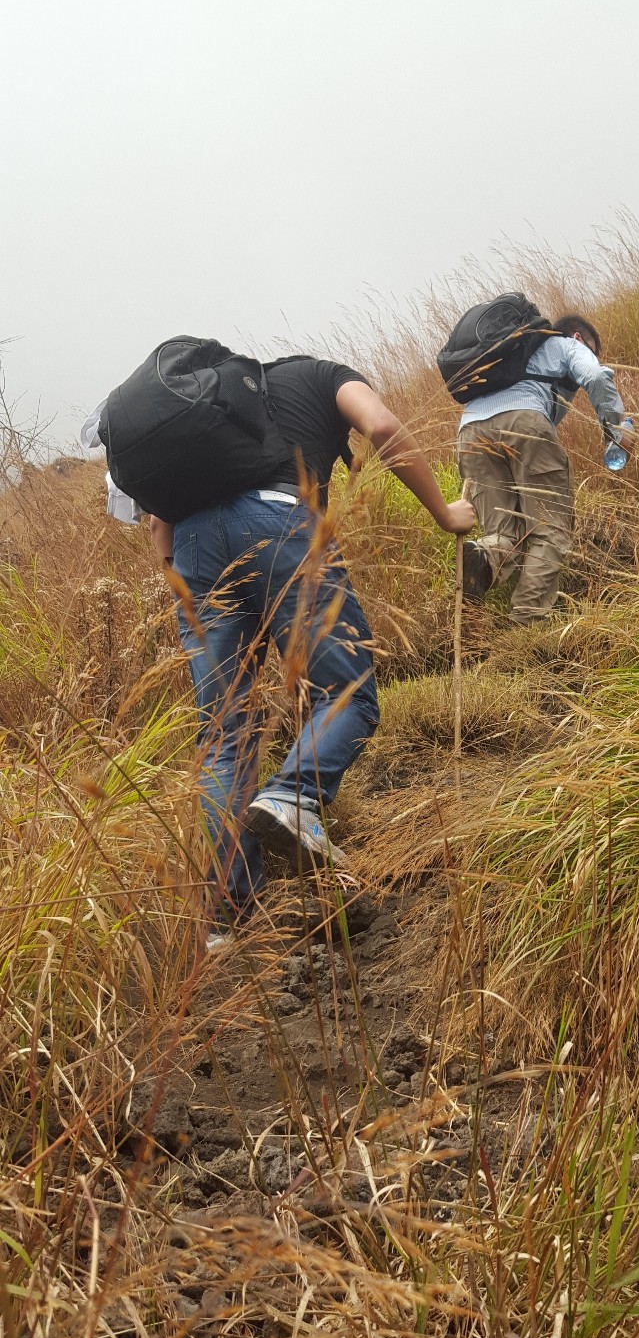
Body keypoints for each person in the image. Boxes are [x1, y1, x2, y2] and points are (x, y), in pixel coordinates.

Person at [137, 355, 474, 937]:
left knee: (223, 735)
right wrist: (446, 513)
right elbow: (385, 428)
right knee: (348, 693)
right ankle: (292, 796)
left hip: (194, 547)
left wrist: (186, 580)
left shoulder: (206, 411)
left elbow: (159, 529)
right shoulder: (323, 375)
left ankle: (225, 917)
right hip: (278, 521)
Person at [455, 313, 632, 623]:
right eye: (592, 349)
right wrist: (616, 431)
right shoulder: (564, 344)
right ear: (578, 338)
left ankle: (482, 557)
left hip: (470, 433)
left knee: (504, 532)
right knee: (551, 531)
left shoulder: (511, 355)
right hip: (524, 422)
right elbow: (596, 376)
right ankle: (527, 621)